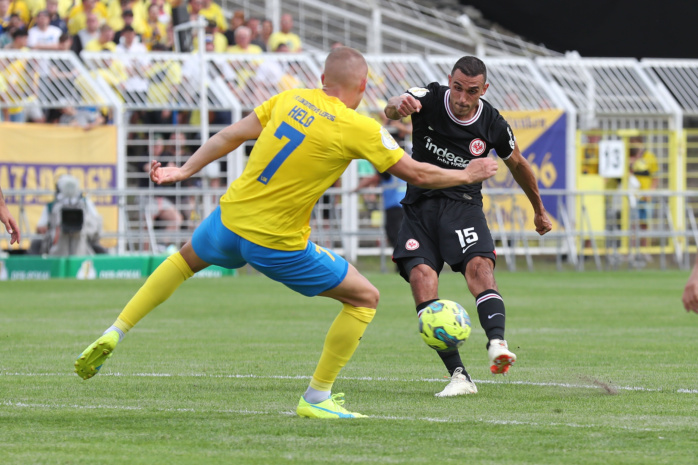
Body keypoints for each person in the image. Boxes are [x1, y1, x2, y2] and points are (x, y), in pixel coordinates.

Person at [73, 46, 498, 419]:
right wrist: (468, 171)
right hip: (275, 243)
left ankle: (116, 330)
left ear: (321, 80)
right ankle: (317, 396)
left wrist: (183, 169)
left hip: (228, 219)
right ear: (364, 86)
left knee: (182, 262)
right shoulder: (358, 127)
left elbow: (229, 135)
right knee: (365, 299)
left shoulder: (289, 99)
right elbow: (416, 171)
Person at [384, 55, 552, 397]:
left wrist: (538, 209)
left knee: (479, 269)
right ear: (449, 80)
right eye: (457, 88)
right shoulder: (429, 97)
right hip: (419, 207)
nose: (462, 98)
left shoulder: (492, 123)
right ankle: (459, 375)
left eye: (471, 91)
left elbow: (518, 164)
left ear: (484, 89)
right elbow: (392, 107)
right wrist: (396, 106)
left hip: (462, 208)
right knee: (421, 278)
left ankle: (497, 344)